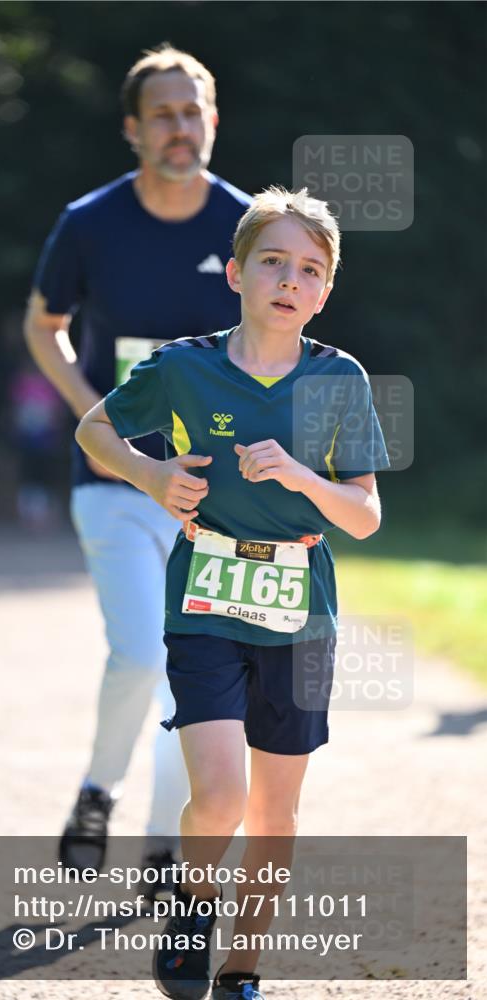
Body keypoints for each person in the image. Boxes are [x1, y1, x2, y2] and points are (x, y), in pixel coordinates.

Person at [75, 186, 390, 999]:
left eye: (309, 270)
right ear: (235, 273)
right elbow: (93, 428)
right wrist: (150, 476)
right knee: (218, 798)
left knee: (275, 815)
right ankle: (192, 902)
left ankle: (241, 969)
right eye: (273, 262)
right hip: (205, 599)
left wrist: (300, 477)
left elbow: (364, 516)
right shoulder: (183, 366)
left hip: (300, 613)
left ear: (325, 290)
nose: (289, 280)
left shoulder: (339, 379)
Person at [24, 44, 251, 894]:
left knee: (196, 668)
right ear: (132, 128)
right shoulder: (89, 222)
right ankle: (97, 792)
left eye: (192, 112)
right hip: (112, 484)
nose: (179, 128)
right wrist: (101, 422)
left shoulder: (247, 226)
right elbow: (43, 325)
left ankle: (164, 844)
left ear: (212, 121)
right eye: (162, 114)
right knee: (139, 651)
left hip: (215, 494)